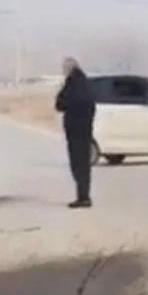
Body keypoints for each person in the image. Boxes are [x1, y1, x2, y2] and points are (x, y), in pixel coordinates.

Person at [55, 57, 95, 208]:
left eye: (64, 68)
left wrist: (61, 91)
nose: (63, 71)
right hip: (85, 129)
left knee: (78, 164)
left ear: (69, 69)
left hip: (75, 130)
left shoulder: (71, 86)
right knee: (83, 164)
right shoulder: (86, 85)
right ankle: (84, 195)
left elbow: (60, 104)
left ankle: (83, 197)